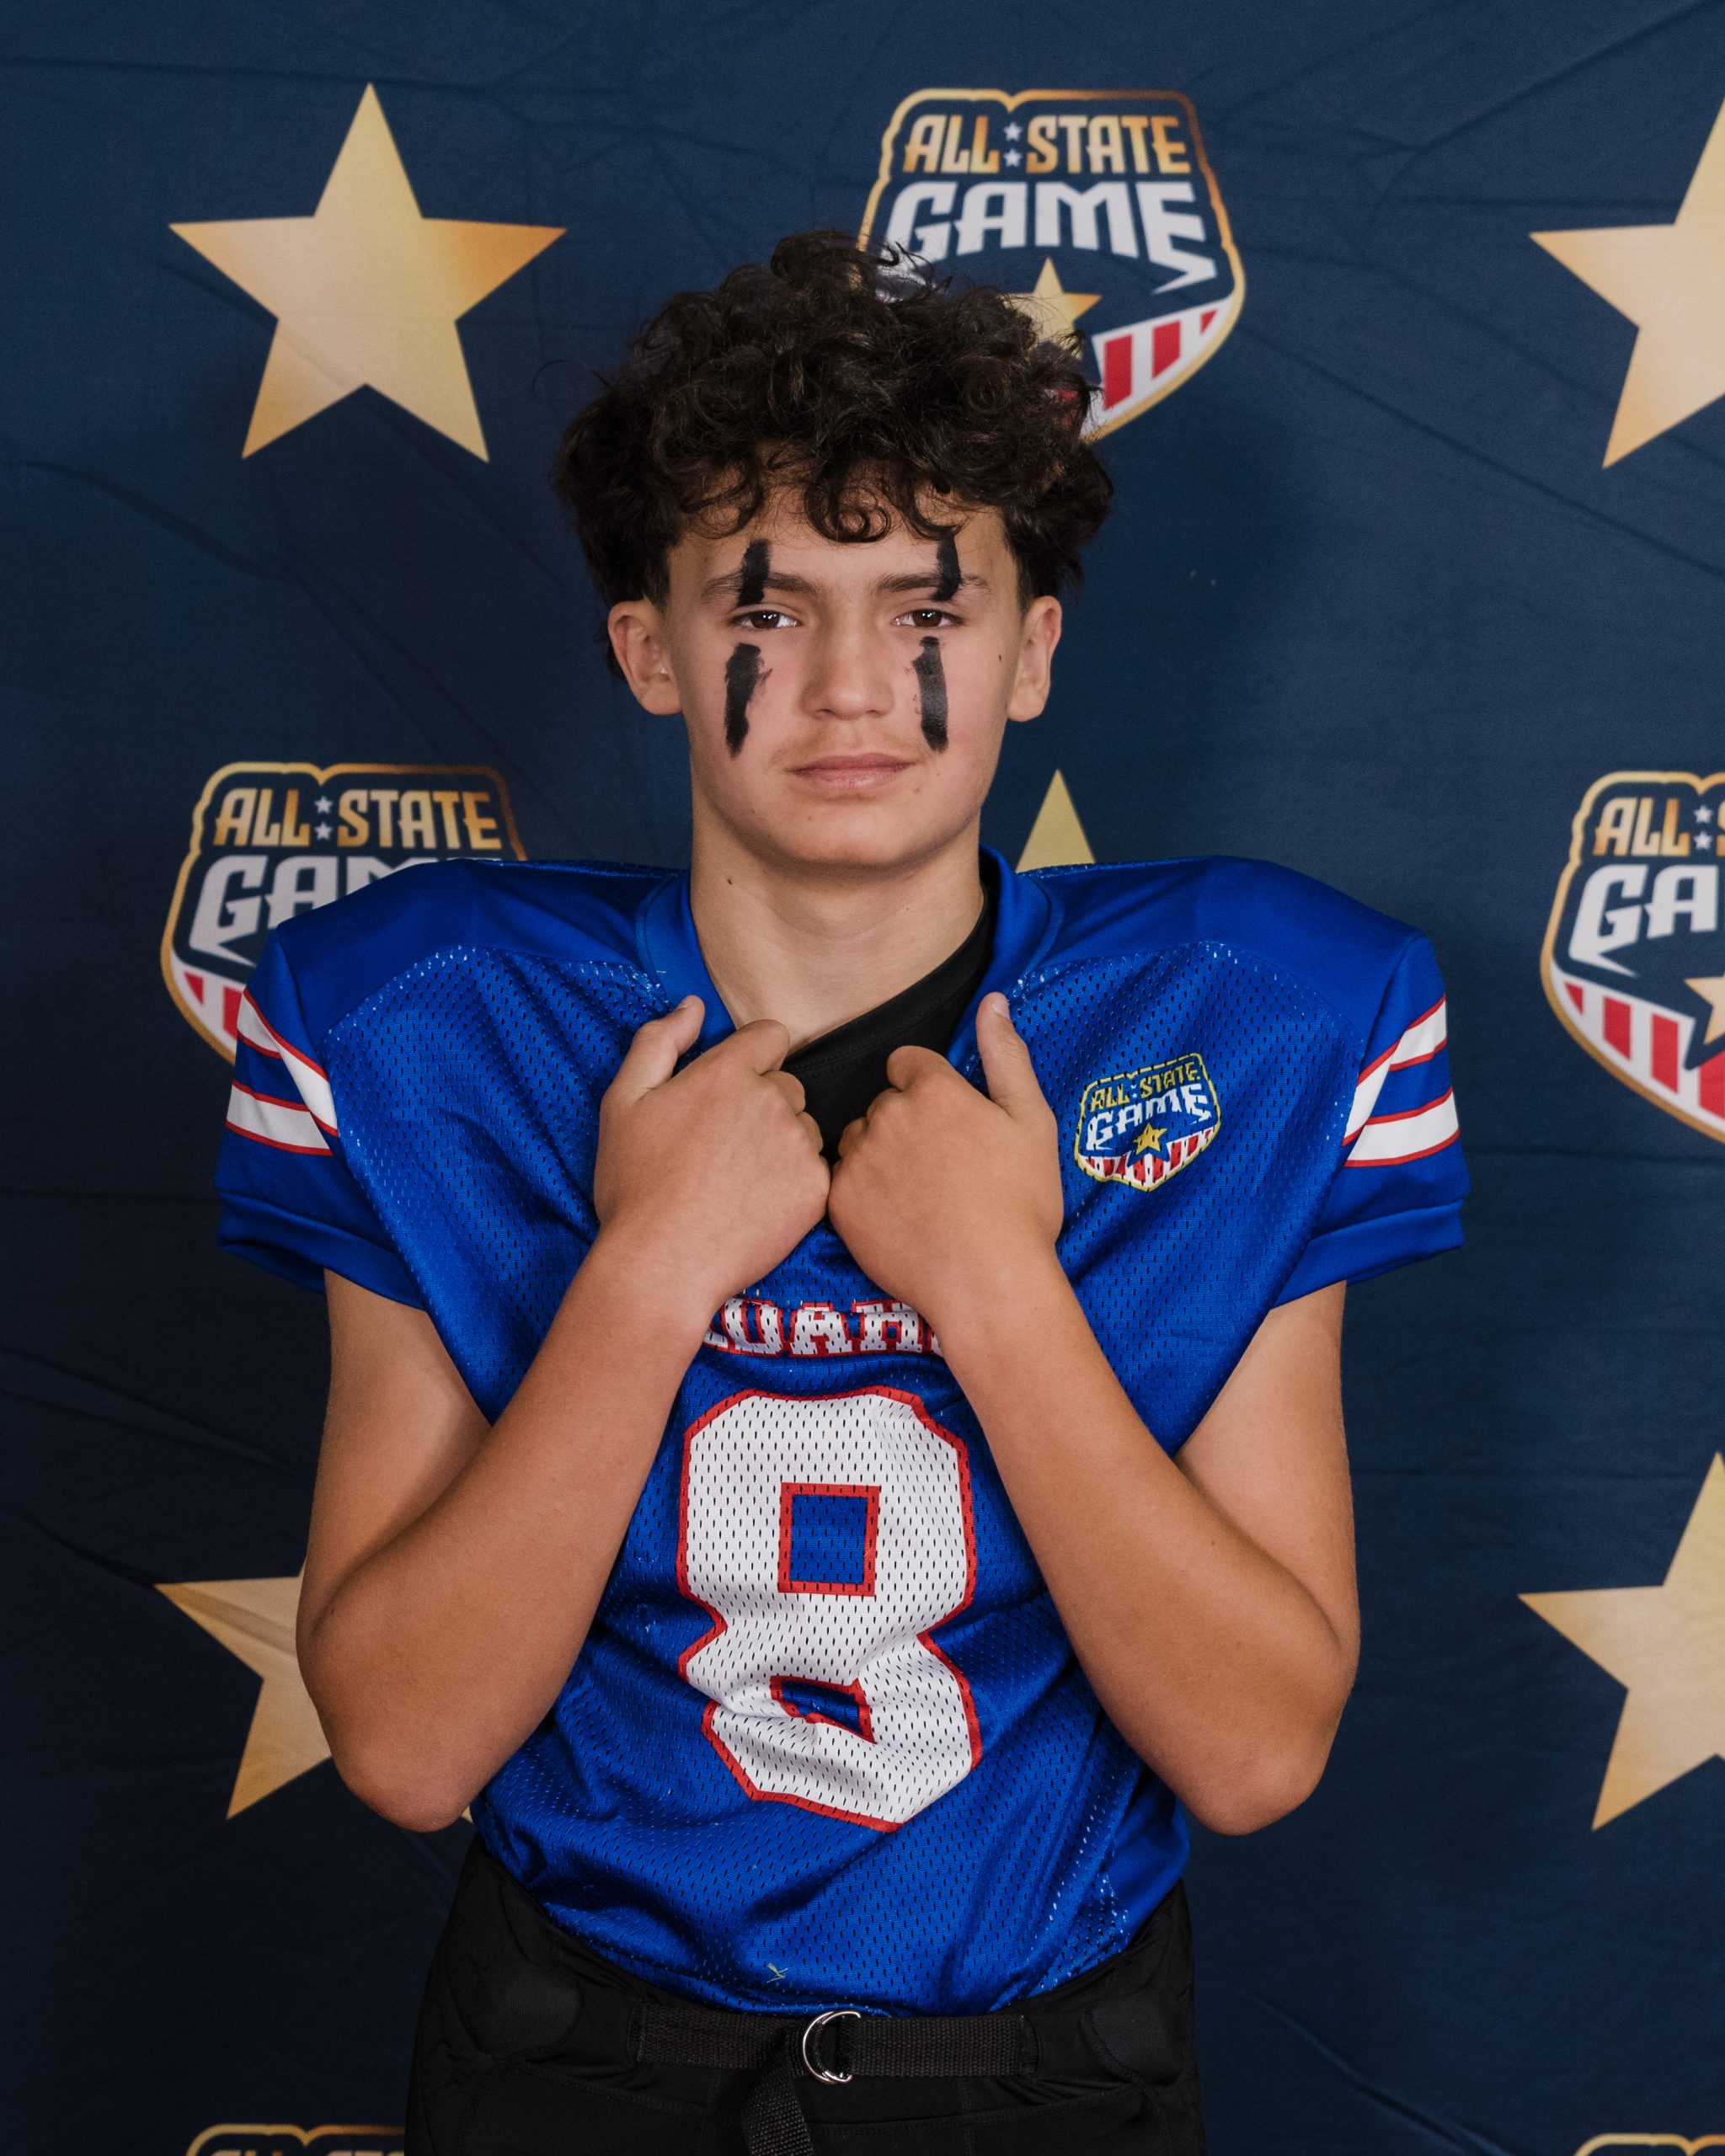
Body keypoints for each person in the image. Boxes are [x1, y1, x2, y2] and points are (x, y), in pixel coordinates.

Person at [215, 232, 1466, 2155]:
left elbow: (1253, 1747)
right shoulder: (427, 1016)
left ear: (1031, 650)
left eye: (927, 605)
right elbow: (402, 1741)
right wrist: (649, 1271)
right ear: (647, 646)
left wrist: (1000, 1287)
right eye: (767, 607)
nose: (853, 683)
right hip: (581, 2056)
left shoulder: (1253, 1014)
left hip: (1050, 2069)